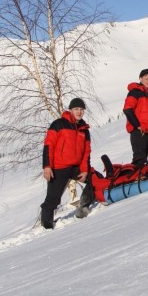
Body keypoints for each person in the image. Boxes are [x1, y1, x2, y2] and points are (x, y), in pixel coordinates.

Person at [40, 97, 91, 229]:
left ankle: (82, 207)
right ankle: (46, 224)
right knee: (53, 199)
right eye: (76, 109)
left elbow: (86, 152)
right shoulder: (58, 124)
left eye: (81, 109)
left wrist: (85, 170)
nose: (79, 112)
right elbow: (48, 146)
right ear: (70, 110)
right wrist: (47, 167)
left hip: (76, 168)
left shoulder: (84, 129)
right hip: (58, 168)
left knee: (95, 179)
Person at [123, 68, 148, 167]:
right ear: (140, 78)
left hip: (146, 131)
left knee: (143, 158)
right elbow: (127, 109)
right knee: (139, 158)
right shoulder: (135, 92)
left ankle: (142, 177)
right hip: (138, 130)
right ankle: (136, 178)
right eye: (146, 78)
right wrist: (137, 125)